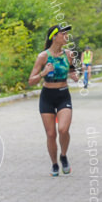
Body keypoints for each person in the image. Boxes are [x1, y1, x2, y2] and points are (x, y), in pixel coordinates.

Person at [28, 23, 80, 176]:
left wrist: (74, 75)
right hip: (47, 97)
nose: (66, 37)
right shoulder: (43, 56)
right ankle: (54, 164)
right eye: (63, 34)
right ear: (54, 37)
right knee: (51, 134)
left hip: (63, 95)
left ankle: (63, 156)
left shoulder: (69, 54)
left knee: (63, 129)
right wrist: (43, 73)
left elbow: (72, 70)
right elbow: (31, 81)